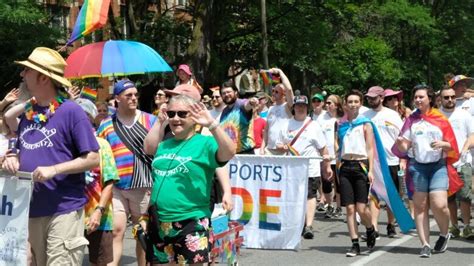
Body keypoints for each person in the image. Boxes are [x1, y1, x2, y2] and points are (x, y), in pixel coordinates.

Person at [2, 47, 100, 265]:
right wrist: (13, 157)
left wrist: (55, 169)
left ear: (43, 78)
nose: (22, 75)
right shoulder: (29, 113)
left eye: (27, 70)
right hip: (33, 209)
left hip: (63, 209)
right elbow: (20, 148)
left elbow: (94, 158)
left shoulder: (71, 112)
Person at [142, 93, 236, 265]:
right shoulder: (164, 144)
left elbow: (229, 152)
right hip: (160, 220)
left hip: (191, 221)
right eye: (171, 114)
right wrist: (159, 121)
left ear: (194, 117)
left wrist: (213, 124)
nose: (175, 118)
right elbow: (148, 148)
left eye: (182, 114)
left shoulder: (205, 143)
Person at [393, 84, 460, 258]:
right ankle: (425, 244)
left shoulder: (440, 119)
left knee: (440, 205)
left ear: (430, 99)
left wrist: (443, 144)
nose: (418, 100)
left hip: (438, 166)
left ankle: (445, 233)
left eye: (421, 97)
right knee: (420, 206)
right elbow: (405, 145)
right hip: (417, 166)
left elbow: (452, 145)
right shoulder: (411, 120)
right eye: (415, 97)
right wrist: (401, 144)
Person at [97, 79, 157, 266]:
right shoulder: (105, 125)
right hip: (116, 187)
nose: (133, 98)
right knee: (116, 230)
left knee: (142, 234)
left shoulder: (150, 120)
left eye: (135, 95)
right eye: (128, 95)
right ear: (117, 99)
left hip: (144, 185)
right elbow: (99, 154)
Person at [279, 95, 332, 239]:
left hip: (310, 168)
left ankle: (308, 225)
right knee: (294, 196)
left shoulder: (313, 125)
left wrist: (327, 166)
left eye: (303, 106)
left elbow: (323, 148)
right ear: (294, 107)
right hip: (292, 169)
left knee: (310, 195)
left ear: (307, 108)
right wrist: (282, 147)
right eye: (298, 106)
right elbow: (278, 144)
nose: (300, 108)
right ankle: (296, 223)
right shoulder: (286, 124)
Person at [76, 98, 120, 266]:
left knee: (100, 262)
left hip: (99, 216)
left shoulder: (102, 145)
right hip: (71, 215)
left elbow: (109, 182)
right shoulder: (66, 145)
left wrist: (99, 210)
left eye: (84, 116)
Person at [335, 90, 377, 257]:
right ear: (345, 104)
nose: (352, 104)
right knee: (350, 209)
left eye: (355, 101)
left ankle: (370, 228)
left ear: (360, 104)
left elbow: (370, 148)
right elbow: (338, 147)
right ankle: (354, 243)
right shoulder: (341, 125)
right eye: (350, 101)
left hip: (361, 166)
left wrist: (371, 169)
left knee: (361, 208)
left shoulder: (366, 124)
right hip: (345, 166)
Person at [362, 86, 405, 239]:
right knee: (373, 195)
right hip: (372, 163)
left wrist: (402, 159)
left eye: (374, 97)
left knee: (392, 196)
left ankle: (391, 224)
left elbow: (402, 138)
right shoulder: (364, 115)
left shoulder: (392, 115)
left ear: (381, 98)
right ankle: (374, 227)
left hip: (391, 160)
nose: (371, 100)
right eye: (368, 98)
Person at [438, 87, 474, 240]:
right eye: (446, 98)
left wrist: (465, 149)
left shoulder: (464, 114)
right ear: (441, 99)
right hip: (443, 162)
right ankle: (454, 226)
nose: (450, 100)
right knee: (449, 198)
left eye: (452, 97)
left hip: (462, 161)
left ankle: (466, 227)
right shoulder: (436, 116)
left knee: (465, 196)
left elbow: (472, 135)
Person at [319, 94, 345, 218]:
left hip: (338, 156)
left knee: (338, 182)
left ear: (336, 105)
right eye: (327, 103)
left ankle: (339, 207)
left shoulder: (342, 119)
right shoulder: (321, 118)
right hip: (325, 156)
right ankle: (329, 205)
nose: (327, 105)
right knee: (326, 183)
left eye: (330, 103)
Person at [260, 68, 294, 155]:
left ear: (284, 94)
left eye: (277, 91)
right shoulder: (271, 108)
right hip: (269, 150)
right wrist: (262, 147)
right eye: (273, 91)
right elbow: (266, 130)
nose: (273, 93)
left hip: (283, 150)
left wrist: (280, 72)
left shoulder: (288, 106)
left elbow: (289, 89)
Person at [219, 79, 258, 154]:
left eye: (228, 92)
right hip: (230, 154)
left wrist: (252, 102)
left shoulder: (241, 104)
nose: (226, 95)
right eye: (223, 93)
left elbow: (247, 105)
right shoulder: (224, 111)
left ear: (235, 92)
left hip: (245, 153)